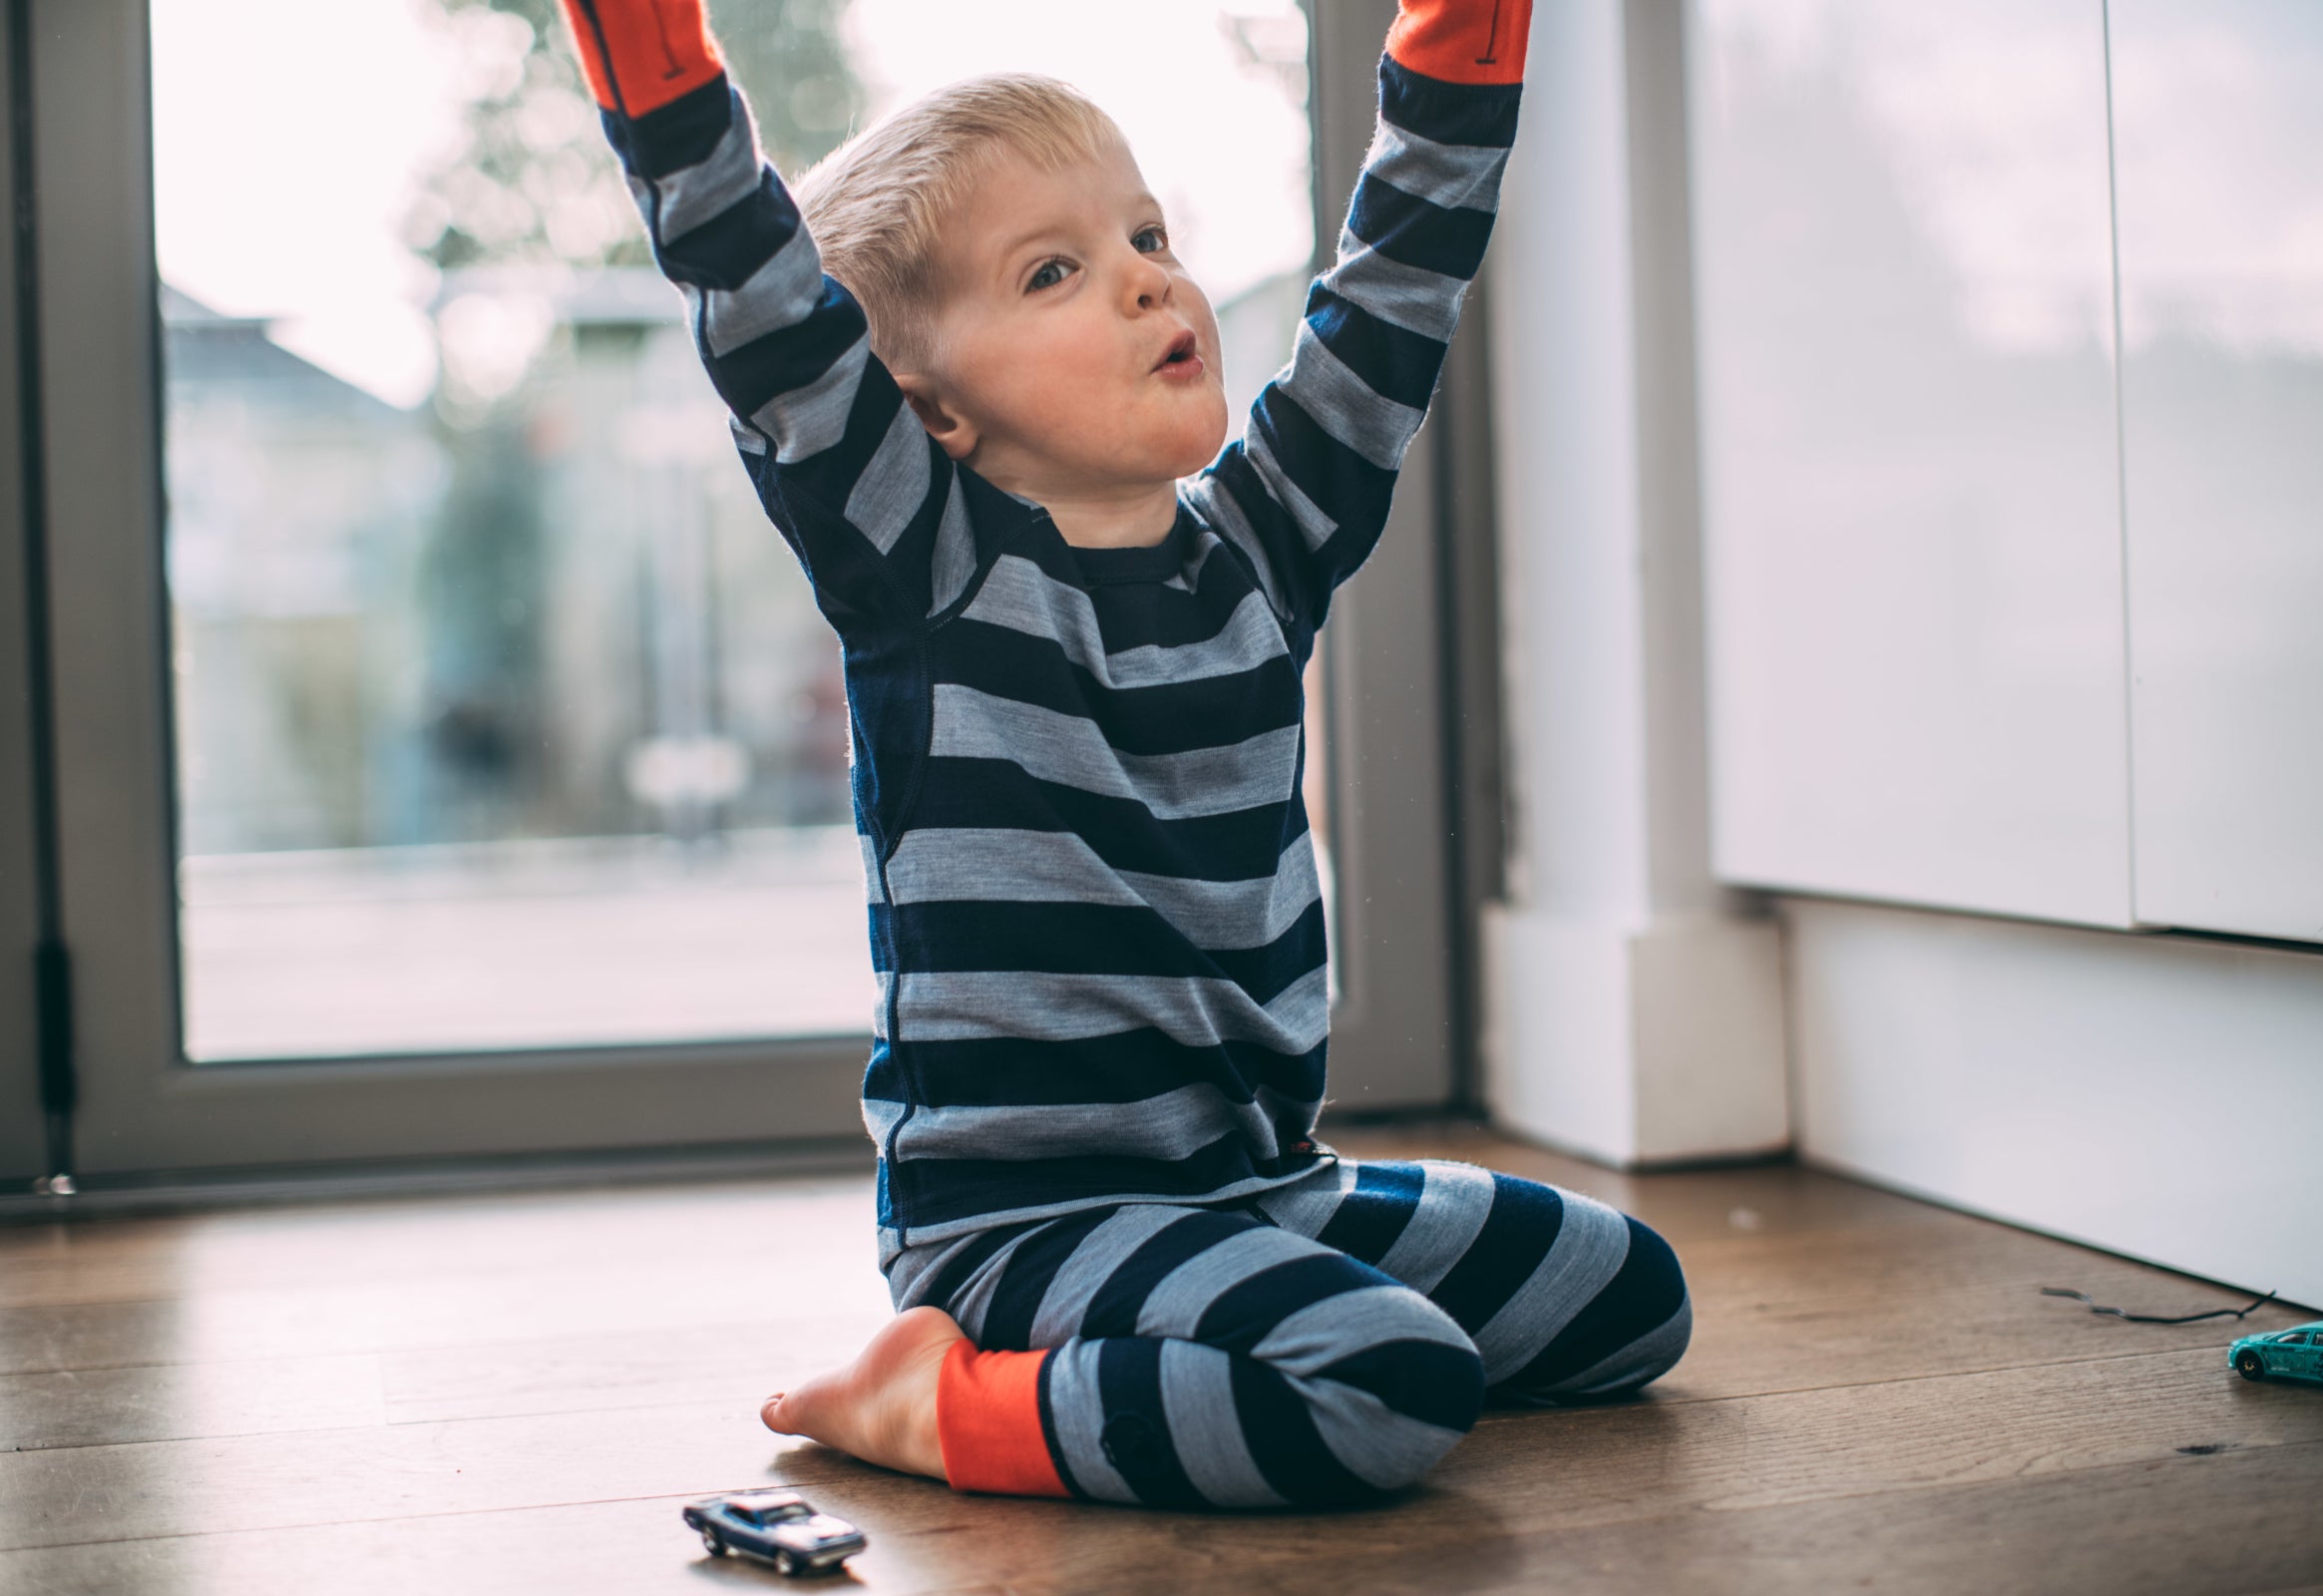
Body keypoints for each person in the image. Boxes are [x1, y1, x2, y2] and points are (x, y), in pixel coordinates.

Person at [560, 0, 1691, 1509]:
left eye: (1146, 233)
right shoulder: (925, 568)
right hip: (1025, 1224)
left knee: (1631, 1295)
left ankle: (1224, 1322)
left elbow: (1395, 292)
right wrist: (663, 74)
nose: (1148, 277)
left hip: (1258, 1183)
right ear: (929, 408)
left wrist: (1457, 45)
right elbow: (761, 310)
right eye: (1055, 270)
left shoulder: (1259, 547)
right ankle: (939, 1406)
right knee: (1387, 1384)